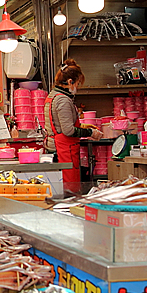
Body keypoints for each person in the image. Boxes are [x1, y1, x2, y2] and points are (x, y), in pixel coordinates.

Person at [43, 59, 103, 194]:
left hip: (59, 146)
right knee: (69, 190)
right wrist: (90, 132)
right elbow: (68, 130)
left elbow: (60, 123)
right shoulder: (63, 100)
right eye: (77, 83)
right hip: (64, 149)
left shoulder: (53, 95)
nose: (78, 87)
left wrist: (83, 125)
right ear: (70, 82)